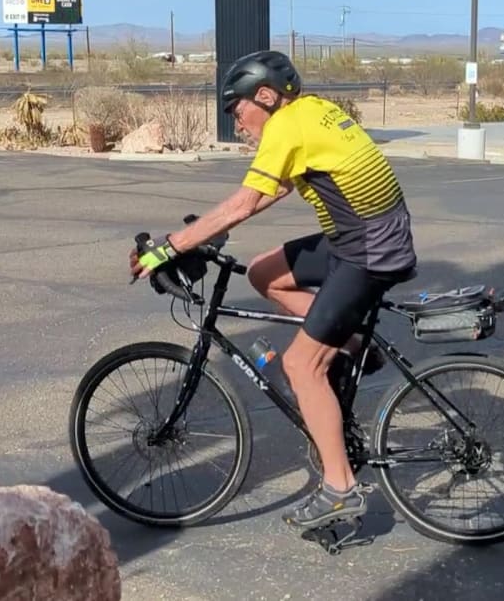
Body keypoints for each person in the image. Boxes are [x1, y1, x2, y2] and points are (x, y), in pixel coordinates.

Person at [129, 50, 418, 530]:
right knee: (264, 273)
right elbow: (274, 189)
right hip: (362, 236)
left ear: (264, 96)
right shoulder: (308, 111)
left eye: (238, 111)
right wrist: (209, 233)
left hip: (368, 250)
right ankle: (354, 346)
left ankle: (341, 489)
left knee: (300, 365)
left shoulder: (287, 125)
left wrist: (169, 248)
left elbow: (246, 202)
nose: (238, 123)